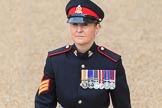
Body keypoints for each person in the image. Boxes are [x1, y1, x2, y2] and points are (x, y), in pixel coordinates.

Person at [35, 0, 131, 108]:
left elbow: (123, 105)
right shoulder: (55, 61)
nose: (79, 30)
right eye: (74, 24)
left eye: (85, 25)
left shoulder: (111, 63)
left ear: (97, 28)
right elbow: (43, 103)